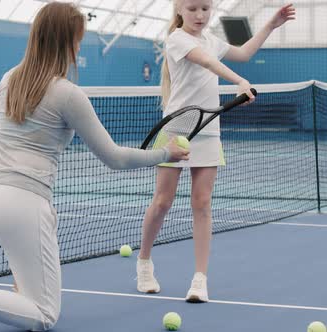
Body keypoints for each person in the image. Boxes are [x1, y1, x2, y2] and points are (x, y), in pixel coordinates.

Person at [0, 2, 188, 332]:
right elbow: (114, 158)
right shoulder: (67, 94)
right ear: (66, 42)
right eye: (77, 39)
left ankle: (16, 287)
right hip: (16, 204)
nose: (78, 47)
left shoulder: (7, 80)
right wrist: (165, 154)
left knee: (32, 230)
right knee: (44, 314)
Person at [135, 0, 295, 303]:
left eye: (206, 9)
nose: (200, 15)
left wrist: (271, 25)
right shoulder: (177, 39)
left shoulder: (211, 40)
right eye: (193, 8)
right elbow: (208, 62)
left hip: (208, 133)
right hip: (175, 131)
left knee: (203, 202)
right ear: (180, 9)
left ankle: (199, 279)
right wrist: (239, 81)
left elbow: (244, 53)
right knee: (163, 202)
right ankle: (144, 263)